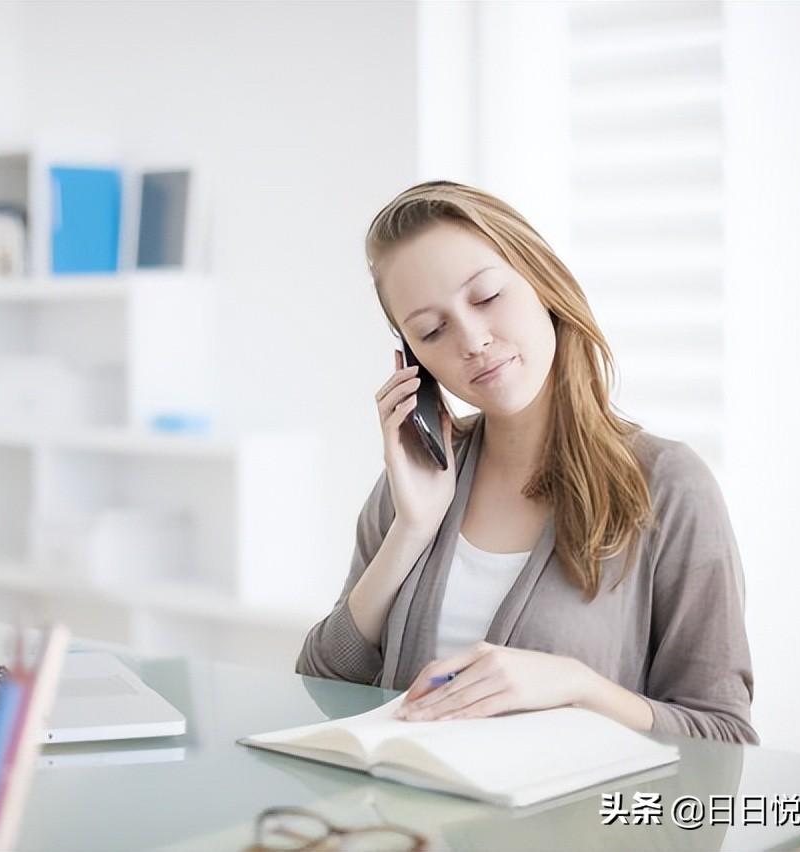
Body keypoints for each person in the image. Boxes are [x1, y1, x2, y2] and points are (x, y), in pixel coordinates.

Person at [296, 181, 757, 744]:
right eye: (431, 331)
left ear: (542, 281)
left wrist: (577, 687)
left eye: (487, 297)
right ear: (413, 362)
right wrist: (410, 532)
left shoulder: (669, 486)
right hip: (411, 828)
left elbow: (724, 737)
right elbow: (320, 686)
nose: (472, 339)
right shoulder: (412, 489)